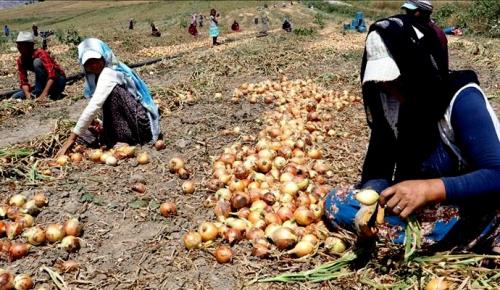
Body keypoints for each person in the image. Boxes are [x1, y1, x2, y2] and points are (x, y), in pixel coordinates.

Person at [324, 2, 500, 254]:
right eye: (381, 82)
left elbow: (497, 173)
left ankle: (479, 233)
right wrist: (373, 200)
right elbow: (378, 168)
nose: (390, 89)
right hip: (428, 210)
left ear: (417, 65)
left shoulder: (463, 98)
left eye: (396, 78)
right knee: (337, 202)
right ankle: (428, 237)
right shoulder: (389, 103)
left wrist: (430, 189)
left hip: (476, 204)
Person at [56, 38, 160, 156]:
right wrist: (99, 121)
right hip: (127, 121)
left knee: (115, 92)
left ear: (103, 57)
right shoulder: (92, 77)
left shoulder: (108, 73)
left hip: (139, 126)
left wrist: (70, 140)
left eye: (96, 60)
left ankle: (128, 139)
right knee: (89, 132)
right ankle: (116, 136)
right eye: (88, 63)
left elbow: (94, 105)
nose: (93, 65)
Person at [12, 31, 66, 101]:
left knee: (37, 62)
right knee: (15, 96)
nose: (18, 47)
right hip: (43, 84)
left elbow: (52, 75)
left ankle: (40, 92)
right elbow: (23, 81)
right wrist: (27, 94)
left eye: (22, 45)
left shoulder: (41, 53)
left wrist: (44, 94)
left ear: (30, 46)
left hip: (58, 81)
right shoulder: (21, 60)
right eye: (18, 45)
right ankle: (38, 92)